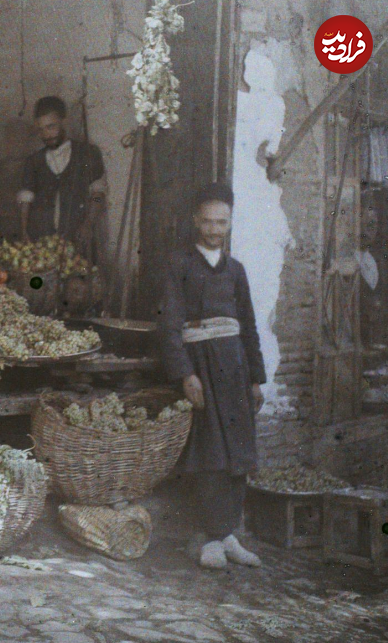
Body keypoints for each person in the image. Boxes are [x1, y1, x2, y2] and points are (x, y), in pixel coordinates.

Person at [158, 182, 266, 570]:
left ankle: (228, 534)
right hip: (201, 368)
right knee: (210, 451)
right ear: (195, 221)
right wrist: (185, 373)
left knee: (238, 449)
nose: (214, 230)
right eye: (207, 222)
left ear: (230, 222)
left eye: (222, 222)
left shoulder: (236, 271)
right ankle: (209, 538)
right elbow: (169, 324)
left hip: (235, 369)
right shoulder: (179, 265)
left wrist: (256, 377)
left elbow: (248, 326)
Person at [16, 95, 107, 262]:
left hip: (78, 244)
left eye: (51, 127)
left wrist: (88, 224)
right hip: (43, 246)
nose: (46, 135)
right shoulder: (33, 161)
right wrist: (24, 232)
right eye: (41, 129)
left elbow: (98, 194)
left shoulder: (88, 153)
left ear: (64, 122)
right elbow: (25, 200)